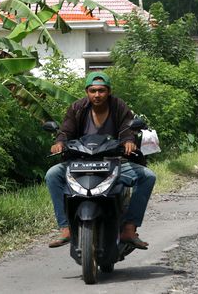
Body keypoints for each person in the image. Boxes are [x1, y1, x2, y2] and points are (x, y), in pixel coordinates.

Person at [45, 72, 156, 249]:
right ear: (87, 92)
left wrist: (128, 142)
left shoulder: (118, 106)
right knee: (52, 174)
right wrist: (59, 143)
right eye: (93, 91)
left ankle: (129, 228)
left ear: (109, 91)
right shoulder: (77, 108)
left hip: (114, 160)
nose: (97, 95)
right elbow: (66, 130)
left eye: (102, 91)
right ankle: (65, 228)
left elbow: (128, 128)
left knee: (147, 177)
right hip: (79, 161)